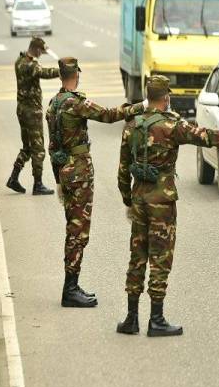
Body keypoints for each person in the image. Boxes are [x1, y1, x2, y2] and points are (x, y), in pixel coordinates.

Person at [116, 75, 219, 337]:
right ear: (166, 98)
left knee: (137, 256)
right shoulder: (171, 126)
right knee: (160, 259)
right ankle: (156, 320)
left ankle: (130, 318)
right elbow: (207, 137)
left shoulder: (132, 125)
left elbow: (122, 170)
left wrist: (129, 199)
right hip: (161, 202)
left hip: (139, 198)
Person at [46, 57, 146, 309]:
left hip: (65, 172)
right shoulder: (75, 104)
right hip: (79, 173)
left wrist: (58, 178)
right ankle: (70, 289)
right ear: (76, 76)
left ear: (60, 76)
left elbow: (52, 146)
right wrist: (139, 106)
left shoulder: (53, 104)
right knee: (78, 232)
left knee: (73, 228)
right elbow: (109, 115)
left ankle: (72, 285)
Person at [7, 37, 60, 196]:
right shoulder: (30, 65)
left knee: (27, 147)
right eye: (41, 52)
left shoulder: (20, 61)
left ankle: (13, 178)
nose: (41, 54)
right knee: (38, 149)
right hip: (31, 111)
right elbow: (44, 73)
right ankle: (38, 184)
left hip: (22, 110)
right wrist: (64, 70)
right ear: (37, 49)